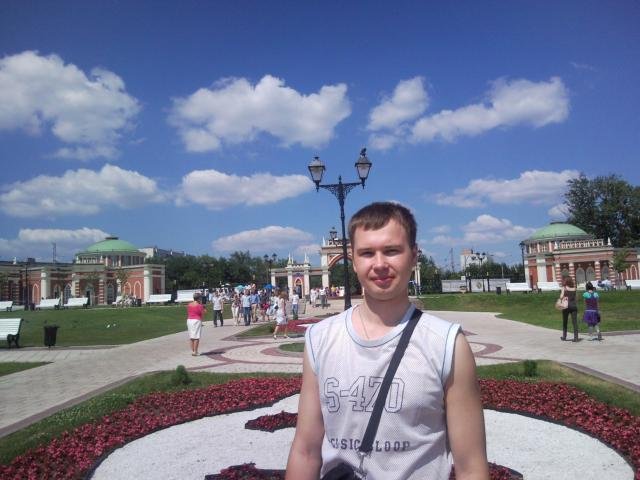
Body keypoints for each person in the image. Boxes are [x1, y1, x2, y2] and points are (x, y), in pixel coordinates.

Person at [286, 202, 488, 480]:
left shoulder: (447, 344)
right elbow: (305, 451)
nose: (379, 264)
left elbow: (471, 466)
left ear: (414, 256)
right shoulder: (320, 338)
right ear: (353, 261)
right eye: (367, 253)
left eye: (392, 251)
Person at [186, 292, 206, 356]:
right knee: (196, 337)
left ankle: (193, 351)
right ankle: (195, 352)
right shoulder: (199, 305)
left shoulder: (189, 304)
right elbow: (203, 313)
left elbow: (189, 312)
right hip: (196, 320)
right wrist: (203, 307)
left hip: (189, 320)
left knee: (191, 336)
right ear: (199, 298)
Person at [560, 276, 579, 342]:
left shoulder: (564, 288)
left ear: (565, 281)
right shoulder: (574, 288)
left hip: (566, 306)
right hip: (573, 306)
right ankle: (576, 338)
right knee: (575, 323)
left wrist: (564, 296)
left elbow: (561, 297)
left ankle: (564, 336)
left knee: (565, 321)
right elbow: (577, 298)